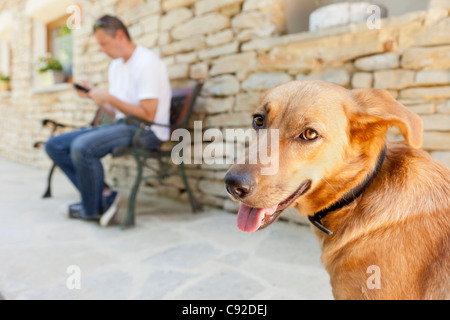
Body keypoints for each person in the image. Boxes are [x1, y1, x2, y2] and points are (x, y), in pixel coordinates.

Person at [45, 15, 172, 227]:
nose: (102, 50)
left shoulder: (147, 62)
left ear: (120, 36)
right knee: (54, 145)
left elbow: (148, 115)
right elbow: (117, 113)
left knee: (82, 147)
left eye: (104, 43)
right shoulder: (115, 66)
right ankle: (102, 196)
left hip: (148, 131)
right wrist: (95, 97)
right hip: (125, 125)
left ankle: (90, 208)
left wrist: (110, 97)